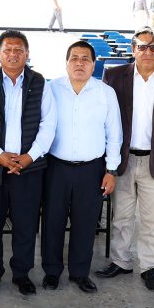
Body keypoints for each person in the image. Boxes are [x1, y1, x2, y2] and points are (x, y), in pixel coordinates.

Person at [96, 26, 154, 292]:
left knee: (152, 220)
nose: (147, 52)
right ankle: (121, 261)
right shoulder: (114, 76)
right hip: (122, 161)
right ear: (133, 49)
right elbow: (103, 121)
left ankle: (149, 267)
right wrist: (107, 165)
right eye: (142, 46)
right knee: (121, 216)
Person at [0, 30, 56, 296]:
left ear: (27, 54)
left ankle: (22, 274)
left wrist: (30, 156)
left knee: (26, 224)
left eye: (19, 50)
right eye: (7, 50)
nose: (13, 54)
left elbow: (48, 124)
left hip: (29, 169)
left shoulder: (40, 83)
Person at [42, 40, 122, 294]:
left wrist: (111, 170)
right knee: (52, 221)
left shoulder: (105, 93)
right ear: (66, 63)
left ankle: (79, 273)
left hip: (92, 169)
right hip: (56, 167)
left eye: (85, 59)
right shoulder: (51, 89)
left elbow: (114, 134)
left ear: (93, 64)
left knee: (85, 224)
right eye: (74, 58)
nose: (79, 63)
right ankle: (51, 272)